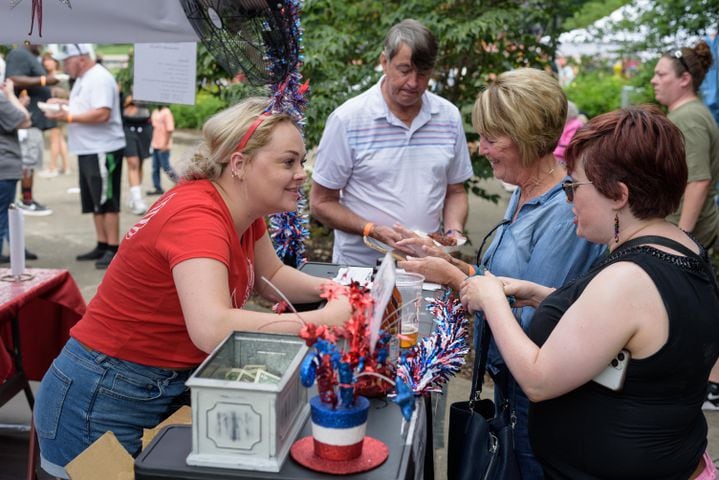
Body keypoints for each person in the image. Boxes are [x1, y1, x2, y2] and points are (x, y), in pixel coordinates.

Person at [34, 97, 353, 479]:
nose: (302, 173)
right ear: (239, 164)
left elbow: (272, 278)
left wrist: (341, 288)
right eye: (288, 162)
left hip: (151, 388)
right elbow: (211, 327)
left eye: (301, 161)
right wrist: (321, 322)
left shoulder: (243, 210)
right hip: (100, 401)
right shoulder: (198, 217)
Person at [459, 105, 719, 479]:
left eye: (573, 186)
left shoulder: (628, 279)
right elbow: (623, 330)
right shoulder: (682, 247)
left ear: (618, 195)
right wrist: (536, 293)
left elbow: (538, 379)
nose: (568, 199)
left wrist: (491, 299)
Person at [398, 68, 605, 478]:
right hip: (512, 390)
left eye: (492, 138)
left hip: (540, 405)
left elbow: (535, 320)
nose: (481, 148)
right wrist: (448, 262)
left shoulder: (564, 213)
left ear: (525, 135)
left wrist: (458, 281)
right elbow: (505, 281)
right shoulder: (525, 191)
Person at [310, 18, 473, 266]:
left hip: (427, 267)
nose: (414, 83)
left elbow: (456, 191)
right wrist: (371, 229)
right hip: (360, 267)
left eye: (423, 74)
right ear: (384, 62)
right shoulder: (348, 119)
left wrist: (452, 233)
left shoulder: (448, 117)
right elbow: (321, 202)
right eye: (405, 70)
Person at [44, 44, 125, 269]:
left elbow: (102, 113)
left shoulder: (98, 78)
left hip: (103, 148)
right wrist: (63, 104)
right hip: (88, 148)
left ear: (80, 58)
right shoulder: (84, 78)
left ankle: (113, 247)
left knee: (107, 200)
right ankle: (102, 243)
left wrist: (67, 117)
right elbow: (84, 106)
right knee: (93, 199)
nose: (64, 66)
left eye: (66, 61)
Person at [651, 41, 719, 250]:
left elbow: (699, 181)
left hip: (686, 234)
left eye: (661, 75)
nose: (653, 81)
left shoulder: (689, 118)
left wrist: (681, 241)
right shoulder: (688, 113)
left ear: (685, 79)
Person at [5, 43, 55, 216]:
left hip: (31, 120)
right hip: (25, 122)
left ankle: (26, 199)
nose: (43, 42)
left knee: (30, 163)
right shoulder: (19, 53)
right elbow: (13, 78)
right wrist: (44, 80)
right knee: (27, 162)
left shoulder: (28, 54)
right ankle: (26, 200)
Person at [0, 79, 31, 262]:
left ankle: (17, 249)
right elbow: (24, 120)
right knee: (4, 212)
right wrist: (10, 95)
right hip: (5, 162)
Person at [38, 51, 70, 177]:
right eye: (45, 60)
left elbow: (67, 93)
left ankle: (52, 167)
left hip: (58, 109)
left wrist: (56, 92)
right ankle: (66, 166)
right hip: (50, 108)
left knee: (54, 138)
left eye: (49, 60)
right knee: (60, 139)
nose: (47, 62)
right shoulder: (44, 76)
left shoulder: (61, 76)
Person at [121, 94, 152, 215]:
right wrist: (128, 100)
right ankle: (137, 199)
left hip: (145, 125)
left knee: (140, 163)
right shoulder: (124, 80)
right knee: (133, 161)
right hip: (127, 125)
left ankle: (134, 194)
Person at [148, 104, 179, 195]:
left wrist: (165, 144)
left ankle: (179, 182)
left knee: (166, 167)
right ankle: (157, 187)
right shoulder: (155, 111)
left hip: (163, 145)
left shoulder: (167, 112)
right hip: (155, 144)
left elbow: (170, 129)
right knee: (155, 168)